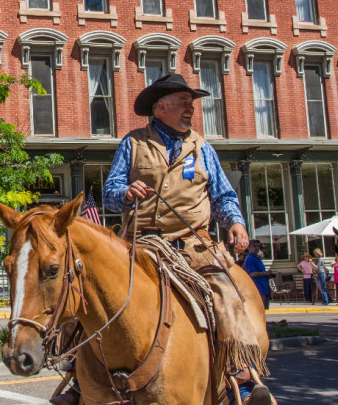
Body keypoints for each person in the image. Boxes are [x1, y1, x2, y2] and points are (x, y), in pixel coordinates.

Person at [97, 73, 272, 405]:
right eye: (183, 103)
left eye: (191, 104)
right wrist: (126, 193)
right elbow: (109, 193)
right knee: (99, 291)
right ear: (161, 107)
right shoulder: (133, 143)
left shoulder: (202, 147)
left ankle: (241, 375)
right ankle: (80, 378)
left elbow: (222, 196)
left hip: (194, 244)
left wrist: (235, 222)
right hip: (142, 244)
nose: (190, 109)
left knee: (226, 290)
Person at [243, 240, 274, 309]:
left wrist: (268, 275)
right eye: (254, 246)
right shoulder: (250, 259)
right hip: (257, 288)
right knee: (258, 309)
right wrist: (264, 273)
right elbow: (252, 274)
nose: (256, 248)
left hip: (264, 288)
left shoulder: (258, 258)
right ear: (249, 248)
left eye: (258, 246)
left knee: (263, 309)